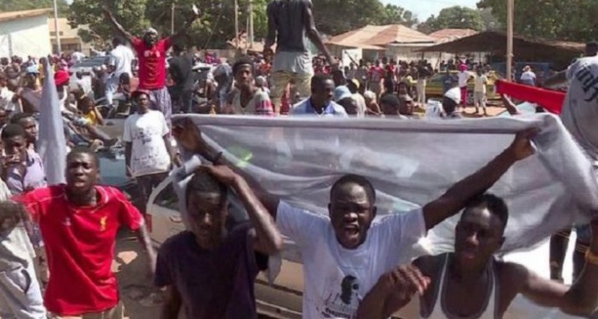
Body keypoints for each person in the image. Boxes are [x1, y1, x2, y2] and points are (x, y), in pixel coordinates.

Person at [171, 117, 537, 319]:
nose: (350, 216)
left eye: (358, 210)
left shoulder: (394, 233)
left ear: (373, 214)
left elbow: (455, 197)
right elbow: (261, 195)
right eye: (342, 208)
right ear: (328, 211)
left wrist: (510, 155)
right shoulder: (314, 231)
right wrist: (205, 148)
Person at [357, 194, 598, 319]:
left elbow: (581, 303)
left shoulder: (508, 277)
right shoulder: (428, 270)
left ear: (499, 244)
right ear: (457, 230)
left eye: (483, 234)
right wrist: (383, 286)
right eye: (467, 229)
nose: (472, 239)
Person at [15, 147, 156, 318]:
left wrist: (150, 255)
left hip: (105, 299)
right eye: (73, 166)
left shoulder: (113, 199)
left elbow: (138, 220)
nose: (78, 171)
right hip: (65, 304)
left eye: (85, 166)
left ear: (97, 174)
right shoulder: (48, 199)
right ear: (65, 173)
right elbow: (12, 209)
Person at [156, 165, 283, 319]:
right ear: (187, 210)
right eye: (198, 212)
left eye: (214, 211)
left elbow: (274, 244)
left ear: (226, 209)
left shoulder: (242, 241)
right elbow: (171, 303)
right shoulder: (173, 250)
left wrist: (237, 182)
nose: (205, 221)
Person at [544, 39, 598, 284]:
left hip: (562, 156)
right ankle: (578, 285)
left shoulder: (583, 64)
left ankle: (555, 277)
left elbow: (557, 78)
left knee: (561, 223)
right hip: (591, 168)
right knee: (586, 233)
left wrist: (542, 85)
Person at [104, 7, 200, 126]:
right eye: (148, 34)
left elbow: (180, 33)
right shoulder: (139, 45)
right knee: (144, 119)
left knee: (165, 120)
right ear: (144, 37)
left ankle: (166, 140)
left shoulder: (163, 45)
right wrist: (111, 19)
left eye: (153, 35)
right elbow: (124, 33)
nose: (151, 37)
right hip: (145, 90)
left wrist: (191, 19)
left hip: (160, 89)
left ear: (157, 37)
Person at [265, 0, 335, 113]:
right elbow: (311, 31)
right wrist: (329, 56)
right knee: (309, 99)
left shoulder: (273, 4)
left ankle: (271, 131)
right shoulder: (304, 0)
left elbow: (270, 35)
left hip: (281, 58)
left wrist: (266, 48)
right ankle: (308, 130)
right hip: (301, 58)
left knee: (273, 101)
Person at [124, 90, 179, 217]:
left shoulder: (158, 116)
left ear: (148, 101)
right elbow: (128, 144)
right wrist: (127, 165)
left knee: (166, 197)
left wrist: (172, 158)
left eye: (144, 99)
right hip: (142, 166)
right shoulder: (131, 120)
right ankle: (147, 226)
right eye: (139, 100)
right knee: (145, 198)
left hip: (160, 163)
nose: (142, 102)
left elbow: (166, 138)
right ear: (135, 103)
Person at [0, 200, 47, 319]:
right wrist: (15, 207)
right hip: (13, 263)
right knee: (33, 314)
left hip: (10, 263)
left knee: (10, 314)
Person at [1, 124, 46, 194]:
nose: (14, 150)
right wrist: (3, 172)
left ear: (25, 142)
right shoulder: (2, 166)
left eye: (18, 145)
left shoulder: (36, 159)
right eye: (9, 146)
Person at [168, 44, 194, 113]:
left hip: (180, 88)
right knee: (188, 109)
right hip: (190, 87)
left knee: (177, 109)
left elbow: (173, 75)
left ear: (174, 50)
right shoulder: (189, 58)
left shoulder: (173, 61)